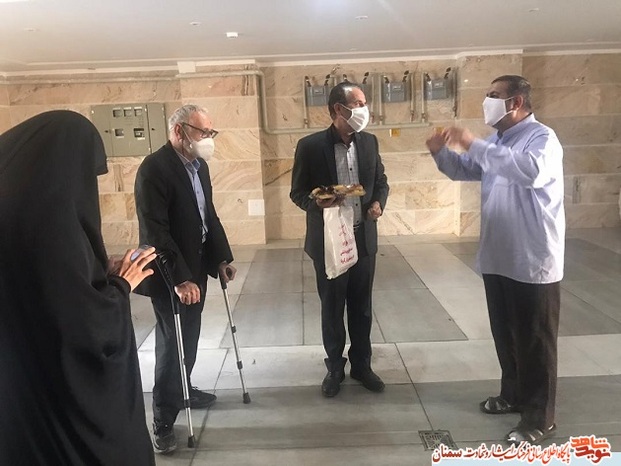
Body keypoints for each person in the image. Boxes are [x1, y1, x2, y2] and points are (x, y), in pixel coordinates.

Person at [0, 110, 157, 465]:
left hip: (19, 391)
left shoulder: (12, 208)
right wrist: (121, 284)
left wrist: (96, 271)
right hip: (62, 404)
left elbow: (46, 288)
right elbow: (86, 328)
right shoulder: (52, 224)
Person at [425, 75, 565, 445]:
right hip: (499, 257)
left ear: (516, 102)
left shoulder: (542, 139)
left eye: (494, 95)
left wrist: (473, 143)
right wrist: (441, 153)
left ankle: (540, 417)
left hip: (532, 260)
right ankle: (513, 394)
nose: (487, 101)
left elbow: (530, 172)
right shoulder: (498, 142)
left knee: (535, 340)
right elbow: (465, 170)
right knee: (507, 334)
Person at [134, 104, 236, 454]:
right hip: (170, 274)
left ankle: (183, 389)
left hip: (196, 266)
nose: (208, 138)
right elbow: (155, 231)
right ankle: (163, 419)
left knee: (188, 336)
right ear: (179, 131)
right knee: (172, 343)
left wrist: (221, 258)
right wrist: (179, 278)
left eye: (210, 132)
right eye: (202, 132)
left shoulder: (199, 166)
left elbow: (208, 216)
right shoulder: (154, 168)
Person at [290, 82, 389, 398]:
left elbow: (381, 182)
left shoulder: (369, 142)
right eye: (358, 103)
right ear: (338, 109)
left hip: (363, 237)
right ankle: (335, 367)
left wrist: (378, 203)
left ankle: (362, 365)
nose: (364, 108)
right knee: (332, 308)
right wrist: (317, 203)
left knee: (362, 308)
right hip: (329, 241)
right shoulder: (310, 146)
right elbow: (297, 192)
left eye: (364, 102)